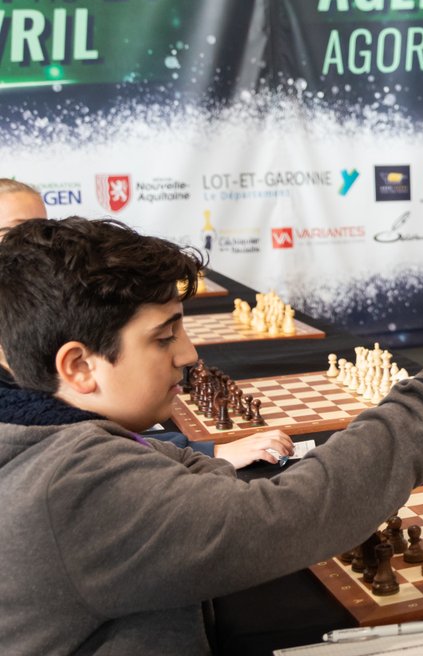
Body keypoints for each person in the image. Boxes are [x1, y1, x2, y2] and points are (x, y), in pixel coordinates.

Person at [0, 216, 423, 654]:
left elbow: (181, 473)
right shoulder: (71, 485)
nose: (188, 355)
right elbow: (291, 517)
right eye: (163, 338)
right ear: (80, 367)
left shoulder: (41, 432)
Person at [0, 182, 291, 469]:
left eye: (42, 227)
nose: (32, 246)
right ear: (77, 365)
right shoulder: (68, 464)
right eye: (11, 232)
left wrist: (202, 450)